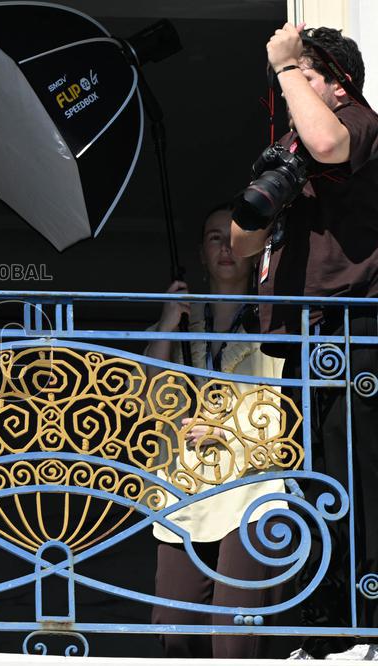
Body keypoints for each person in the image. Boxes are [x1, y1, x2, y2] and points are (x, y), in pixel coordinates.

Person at [231, 24, 378, 660]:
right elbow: (239, 245)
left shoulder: (359, 124)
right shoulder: (296, 144)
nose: (290, 87)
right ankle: (324, 627)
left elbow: (327, 140)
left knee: (359, 481)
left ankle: (367, 624)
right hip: (301, 338)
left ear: (336, 83)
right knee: (310, 485)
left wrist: (288, 63)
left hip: (354, 332)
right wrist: (264, 190)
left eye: (303, 77)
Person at [146, 205, 289, 659]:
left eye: (236, 236)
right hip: (181, 491)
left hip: (251, 488)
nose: (226, 247)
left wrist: (225, 432)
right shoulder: (177, 330)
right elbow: (142, 407)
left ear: (257, 251)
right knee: (173, 636)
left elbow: (286, 413)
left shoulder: (277, 326)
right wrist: (168, 322)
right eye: (213, 238)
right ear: (201, 255)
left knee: (233, 638)